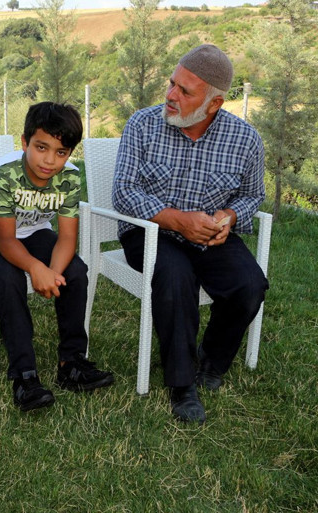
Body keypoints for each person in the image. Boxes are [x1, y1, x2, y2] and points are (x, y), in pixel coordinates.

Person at [112, 44, 269, 423]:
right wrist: (178, 220)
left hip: (211, 235)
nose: (170, 95)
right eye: (172, 84)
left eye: (185, 91)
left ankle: (211, 361)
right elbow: (123, 192)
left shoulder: (245, 140)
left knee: (250, 285)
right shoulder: (142, 124)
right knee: (175, 276)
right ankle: (182, 385)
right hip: (149, 232)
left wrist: (229, 217)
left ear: (214, 104)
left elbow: (252, 195)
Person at [0, 101, 115, 412]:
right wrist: (36, 269)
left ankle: (71, 362)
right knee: (8, 278)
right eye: (41, 147)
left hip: (35, 231)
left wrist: (54, 273)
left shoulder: (70, 178)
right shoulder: (6, 173)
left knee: (75, 271)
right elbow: (6, 242)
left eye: (61, 152)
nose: (49, 160)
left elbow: (67, 238)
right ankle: (24, 375)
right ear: (24, 142)